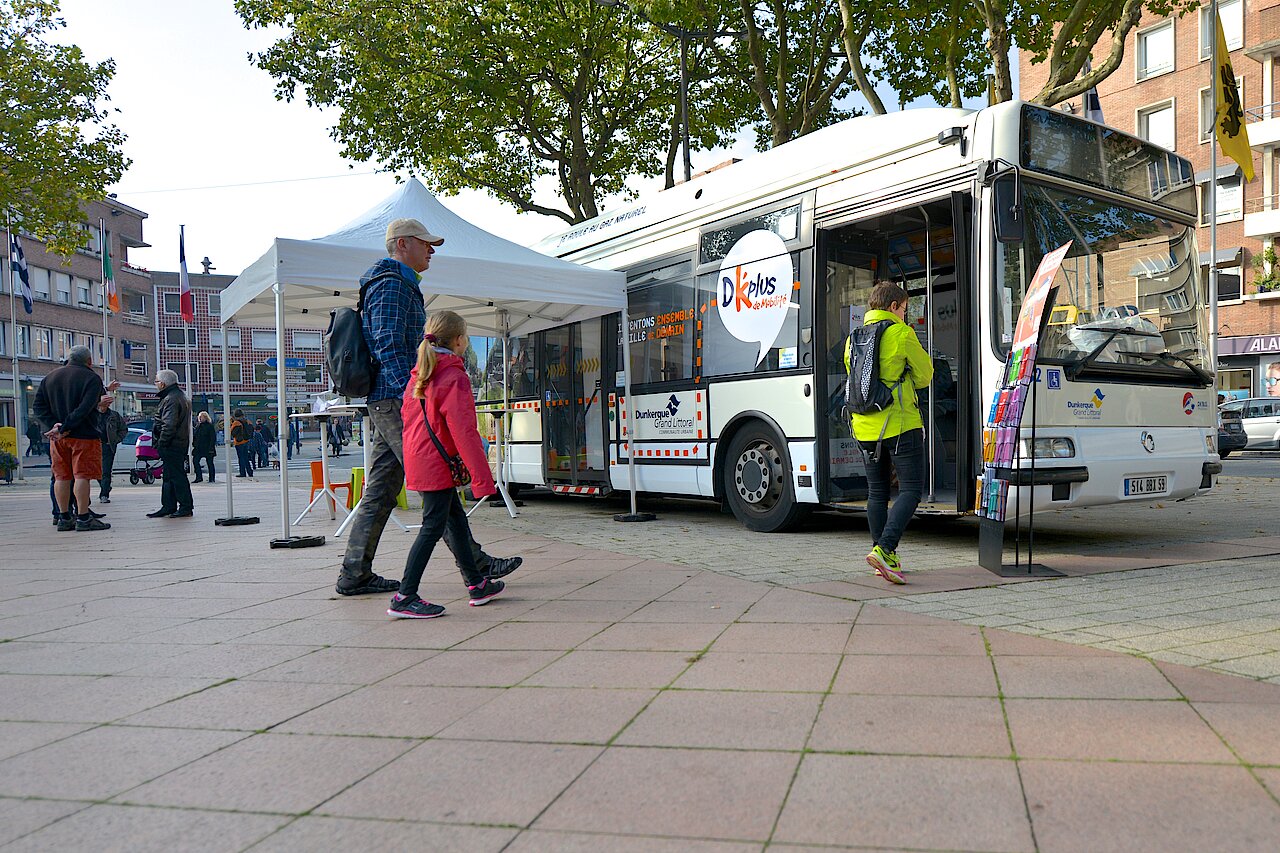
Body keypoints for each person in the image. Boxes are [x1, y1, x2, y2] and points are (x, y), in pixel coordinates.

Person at [337, 218, 521, 596]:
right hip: (397, 398)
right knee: (438, 483)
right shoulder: (391, 283)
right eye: (426, 244)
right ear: (403, 244)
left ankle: (354, 572)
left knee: (381, 491)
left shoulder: (395, 282)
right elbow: (388, 343)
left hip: (390, 398)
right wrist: (416, 394)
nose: (431, 250)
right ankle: (476, 568)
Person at [389, 311, 504, 617]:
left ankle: (477, 584)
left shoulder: (420, 374)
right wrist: (482, 479)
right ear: (459, 340)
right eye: (466, 336)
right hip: (438, 463)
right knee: (432, 526)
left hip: (421, 459)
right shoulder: (452, 376)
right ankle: (404, 596)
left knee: (455, 520)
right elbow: (464, 431)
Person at [846, 281, 933, 584]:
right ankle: (885, 548)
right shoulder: (901, 333)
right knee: (910, 490)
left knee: (877, 491)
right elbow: (926, 375)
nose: (905, 314)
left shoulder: (853, 338)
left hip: (864, 427)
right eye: (905, 308)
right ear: (895, 305)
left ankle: (881, 556)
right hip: (899, 423)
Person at [32, 345, 114, 532]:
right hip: (84, 435)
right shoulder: (91, 378)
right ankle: (83, 517)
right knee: (82, 476)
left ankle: (63, 516)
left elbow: (38, 408)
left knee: (61, 476)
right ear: (89, 361)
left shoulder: (50, 377)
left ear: (68, 359)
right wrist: (67, 426)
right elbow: (85, 408)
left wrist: (56, 426)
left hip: (58, 439)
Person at [147, 369, 194, 518]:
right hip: (177, 443)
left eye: (156, 382)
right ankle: (168, 505)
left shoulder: (171, 399)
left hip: (172, 444)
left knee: (176, 476)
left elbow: (169, 424)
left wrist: (162, 443)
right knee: (169, 475)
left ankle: (184, 506)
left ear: (162, 383)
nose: (155, 385)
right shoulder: (179, 396)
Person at [97, 406, 127, 503]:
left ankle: (104, 494)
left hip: (107, 446)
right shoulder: (92, 413)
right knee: (96, 471)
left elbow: (123, 429)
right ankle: (105, 486)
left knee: (105, 471)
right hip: (93, 446)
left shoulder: (114, 415)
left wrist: (115, 440)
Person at [192, 411, 217, 483]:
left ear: (206, 418)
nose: (200, 418)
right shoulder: (198, 426)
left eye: (201, 417)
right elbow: (196, 436)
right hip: (199, 448)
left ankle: (211, 478)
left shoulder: (209, 426)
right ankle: (199, 477)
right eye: (199, 417)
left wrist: (211, 447)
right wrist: (194, 444)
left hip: (207, 447)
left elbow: (213, 438)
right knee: (195, 461)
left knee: (210, 463)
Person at [230, 409, 253, 477]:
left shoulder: (236, 423)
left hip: (239, 442)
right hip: (246, 441)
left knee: (241, 458)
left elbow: (233, 433)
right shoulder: (247, 421)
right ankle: (250, 472)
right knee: (246, 457)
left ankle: (242, 472)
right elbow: (251, 429)